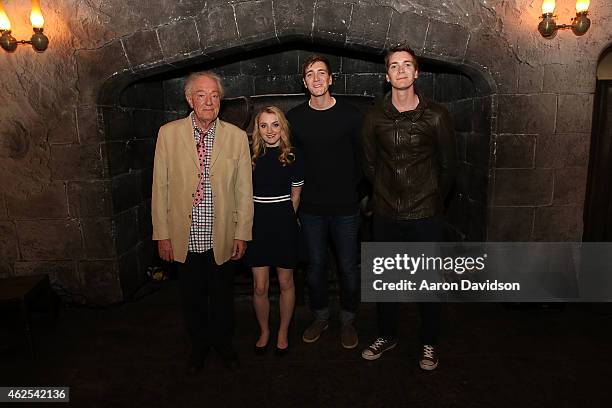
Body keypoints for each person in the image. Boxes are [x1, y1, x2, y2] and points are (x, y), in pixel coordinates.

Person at [360, 43, 457, 370]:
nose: (400, 71)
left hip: (425, 212)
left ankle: (429, 341)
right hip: (386, 212)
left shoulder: (437, 115)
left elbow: (449, 167)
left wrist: (431, 200)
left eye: (406, 65)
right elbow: (369, 166)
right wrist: (385, 194)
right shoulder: (374, 116)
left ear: (416, 72)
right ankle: (387, 334)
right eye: (393, 66)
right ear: (386, 76)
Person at [151, 71, 253, 374]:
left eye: (214, 95)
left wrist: (242, 233)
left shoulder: (236, 137)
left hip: (221, 235)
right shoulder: (168, 134)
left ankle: (223, 344)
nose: (208, 101)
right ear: (189, 99)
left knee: (223, 299)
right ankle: (198, 346)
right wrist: (162, 235)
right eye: (201, 95)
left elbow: (243, 190)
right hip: (185, 236)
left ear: (220, 100)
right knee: (192, 299)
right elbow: (160, 188)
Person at [286, 55, 363, 349]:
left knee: (348, 267)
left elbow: (362, 159)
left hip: (346, 208)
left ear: (331, 79)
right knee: (315, 267)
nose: (316, 78)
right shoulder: (294, 118)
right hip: (310, 210)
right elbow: (292, 161)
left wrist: (351, 191)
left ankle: (348, 320)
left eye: (322, 73)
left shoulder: (352, 115)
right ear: (304, 83)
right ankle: (320, 317)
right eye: (310, 74)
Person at [244, 106, 304, 356]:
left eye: (275, 124)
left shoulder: (292, 156)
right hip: (257, 225)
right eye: (264, 125)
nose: (270, 131)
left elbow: (296, 196)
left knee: (286, 282)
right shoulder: (250, 156)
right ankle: (265, 330)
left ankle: (282, 331)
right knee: (259, 286)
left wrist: (287, 221)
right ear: (257, 129)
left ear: (283, 127)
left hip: (283, 224)